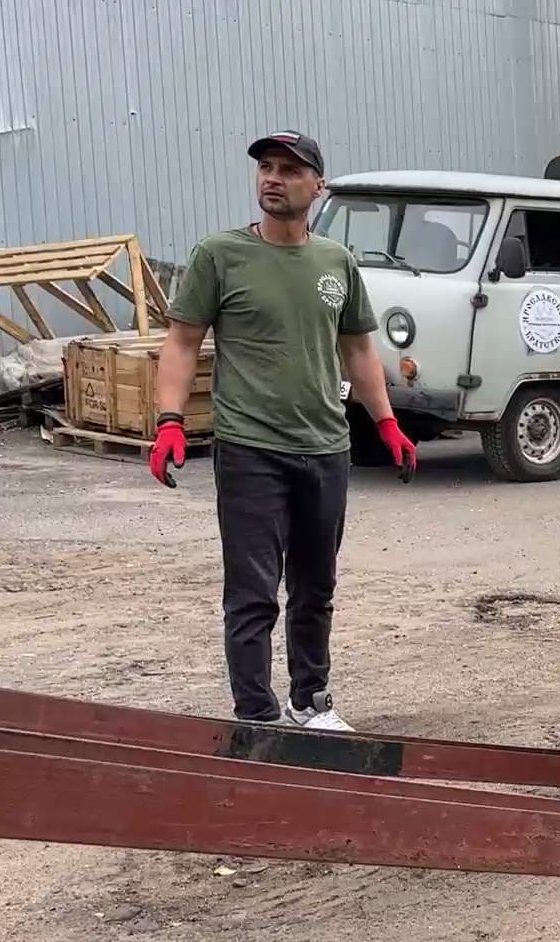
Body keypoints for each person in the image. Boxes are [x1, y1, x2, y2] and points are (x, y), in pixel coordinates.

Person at [150, 130, 417, 731]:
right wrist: (170, 422)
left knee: (315, 589)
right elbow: (182, 342)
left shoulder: (336, 262)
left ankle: (310, 701)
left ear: (317, 186)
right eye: (266, 167)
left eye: (290, 170)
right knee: (252, 593)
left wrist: (387, 423)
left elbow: (358, 349)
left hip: (326, 448)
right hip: (251, 450)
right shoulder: (220, 255)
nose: (273, 178)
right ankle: (256, 715)